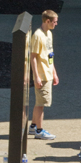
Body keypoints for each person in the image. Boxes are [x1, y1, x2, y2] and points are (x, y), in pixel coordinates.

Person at [30, 10, 59, 140]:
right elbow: (33, 57)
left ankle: (33, 127)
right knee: (41, 104)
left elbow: (50, 55)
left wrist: (54, 72)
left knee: (40, 102)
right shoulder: (38, 36)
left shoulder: (49, 34)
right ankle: (39, 131)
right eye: (54, 22)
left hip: (48, 73)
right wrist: (36, 76)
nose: (56, 24)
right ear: (47, 21)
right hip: (42, 75)